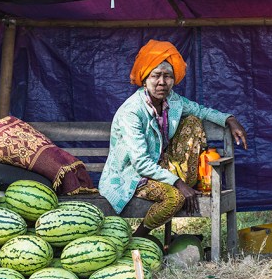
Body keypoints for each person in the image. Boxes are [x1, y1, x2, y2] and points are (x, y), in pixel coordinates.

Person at [98, 39, 247, 243]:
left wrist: (229, 119)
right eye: (156, 76)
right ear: (144, 79)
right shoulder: (132, 112)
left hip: (160, 168)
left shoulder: (173, 101)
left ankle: (149, 235)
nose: (162, 82)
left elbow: (199, 110)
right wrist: (178, 183)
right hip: (132, 176)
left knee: (193, 121)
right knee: (174, 198)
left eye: (167, 76)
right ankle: (136, 239)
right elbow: (140, 163)